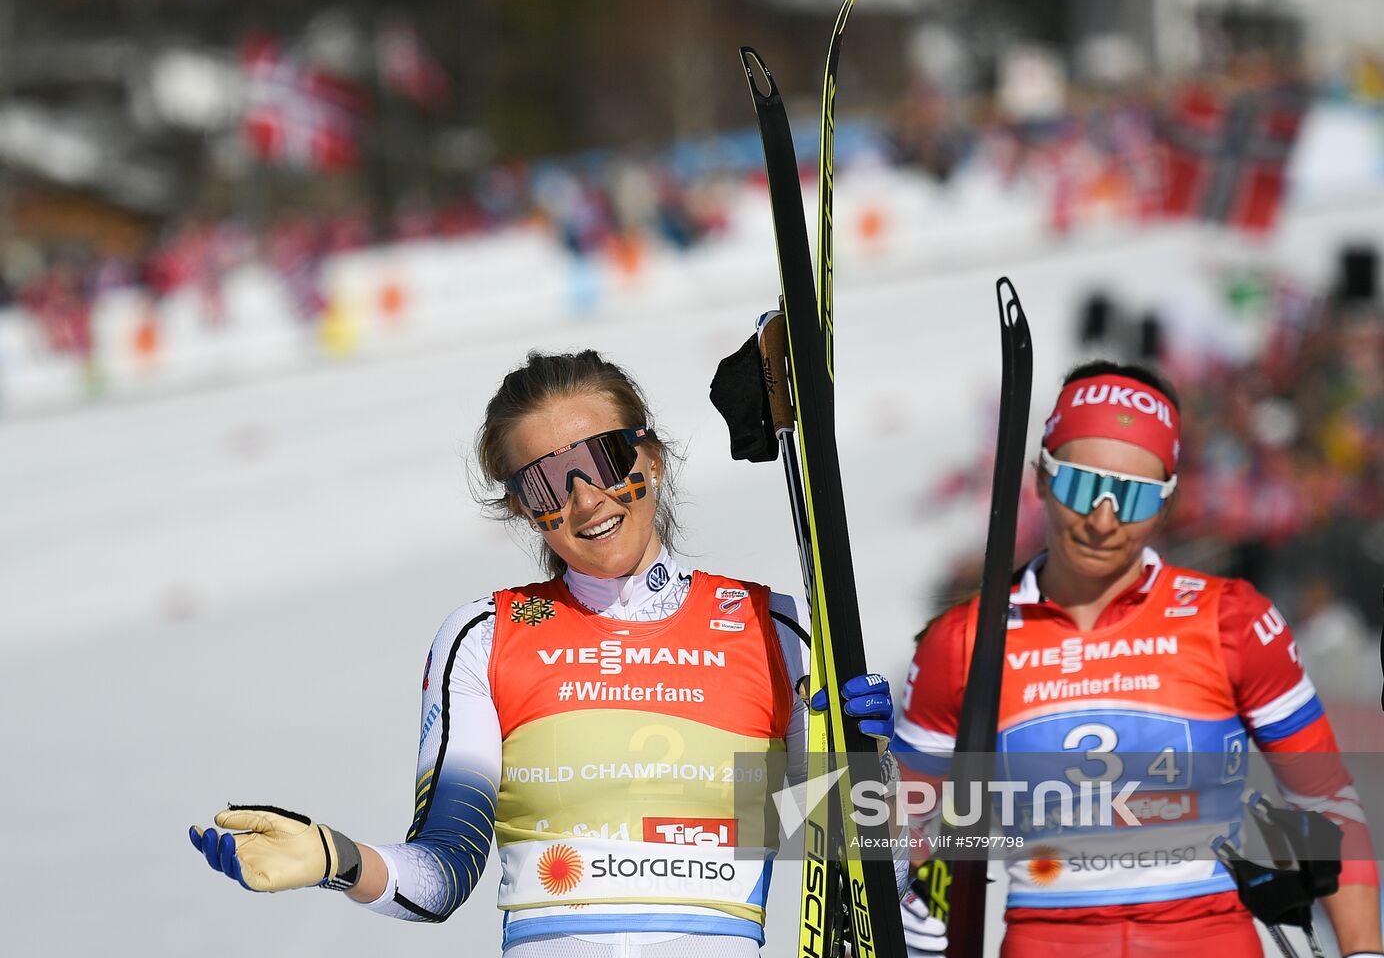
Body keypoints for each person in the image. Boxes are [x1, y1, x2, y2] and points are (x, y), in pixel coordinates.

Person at [189, 349, 899, 956]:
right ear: (522, 510)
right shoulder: (489, 635)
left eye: (605, 457)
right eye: (546, 484)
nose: (587, 499)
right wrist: (334, 860)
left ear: (649, 457)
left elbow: (863, 860)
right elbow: (441, 875)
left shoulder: (770, 625)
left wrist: (875, 769)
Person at [894, 360, 1382, 958]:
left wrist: (1363, 952)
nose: (1103, 520)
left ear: (1167, 504)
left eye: (1133, 497)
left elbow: (1325, 797)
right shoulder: (965, 641)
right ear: (1040, 481)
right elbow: (901, 819)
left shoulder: (1232, 619)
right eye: (1080, 484)